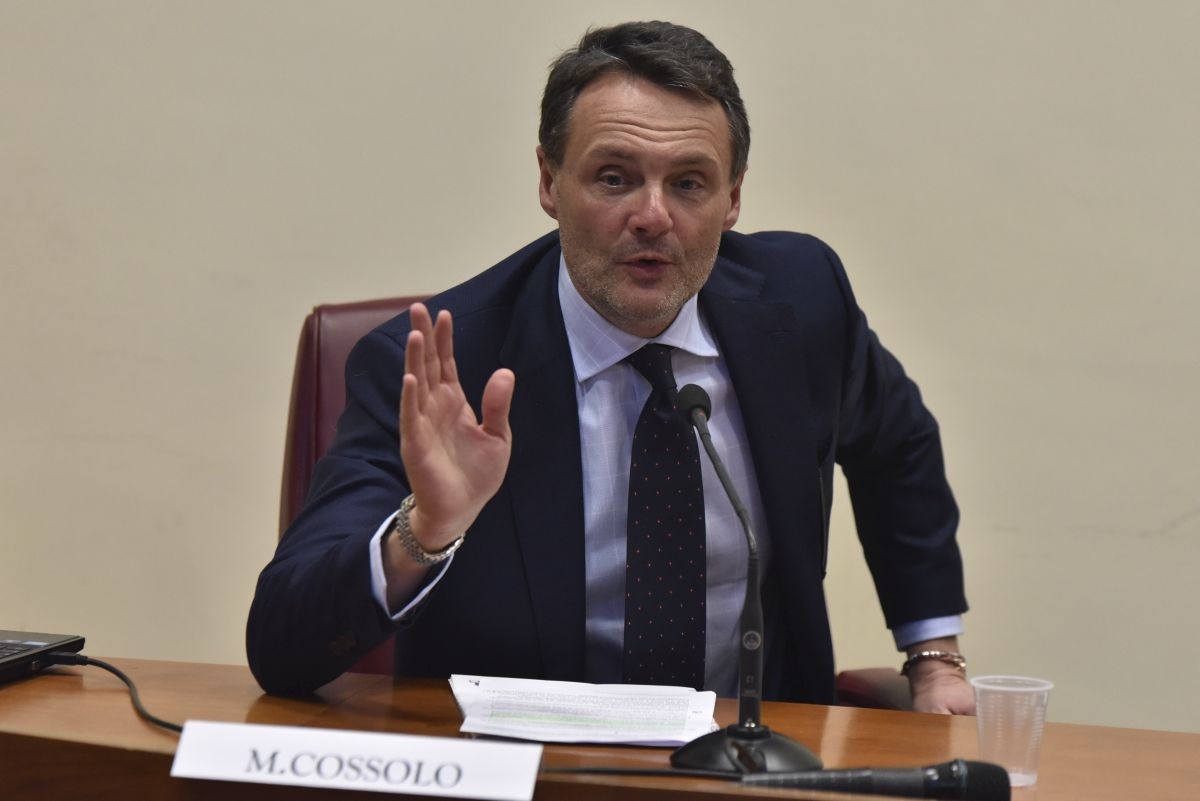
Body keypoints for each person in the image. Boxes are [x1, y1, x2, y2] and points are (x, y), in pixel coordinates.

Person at [247, 21, 974, 715]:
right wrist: (425, 528)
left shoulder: (801, 303)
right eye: (615, 177)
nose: (653, 216)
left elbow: (898, 445)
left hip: (753, 751)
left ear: (733, 198)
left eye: (689, 183)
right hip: (531, 761)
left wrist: (933, 655)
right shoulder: (442, 368)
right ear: (549, 181)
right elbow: (281, 648)